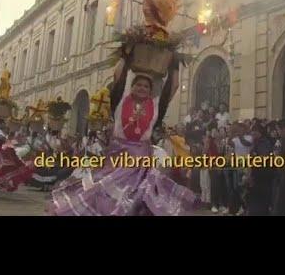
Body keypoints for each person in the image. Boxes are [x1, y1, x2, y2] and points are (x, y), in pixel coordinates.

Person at [47, 51, 198, 216]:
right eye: (138, 85)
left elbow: (173, 87)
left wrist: (174, 63)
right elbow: (118, 77)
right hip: (118, 158)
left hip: (142, 162)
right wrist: (126, 53)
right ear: (131, 87)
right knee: (104, 195)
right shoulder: (119, 103)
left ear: (150, 91)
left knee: (140, 198)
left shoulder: (155, 108)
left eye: (146, 86)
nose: (142, 88)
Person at [246, 122, 274, 216]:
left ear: (259, 132)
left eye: (254, 133)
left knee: (261, 204)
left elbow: (263, 158)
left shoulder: (264, 143)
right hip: (255, 176)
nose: (252, 135)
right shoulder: (254, 143)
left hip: (263, 176)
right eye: (251, 133)